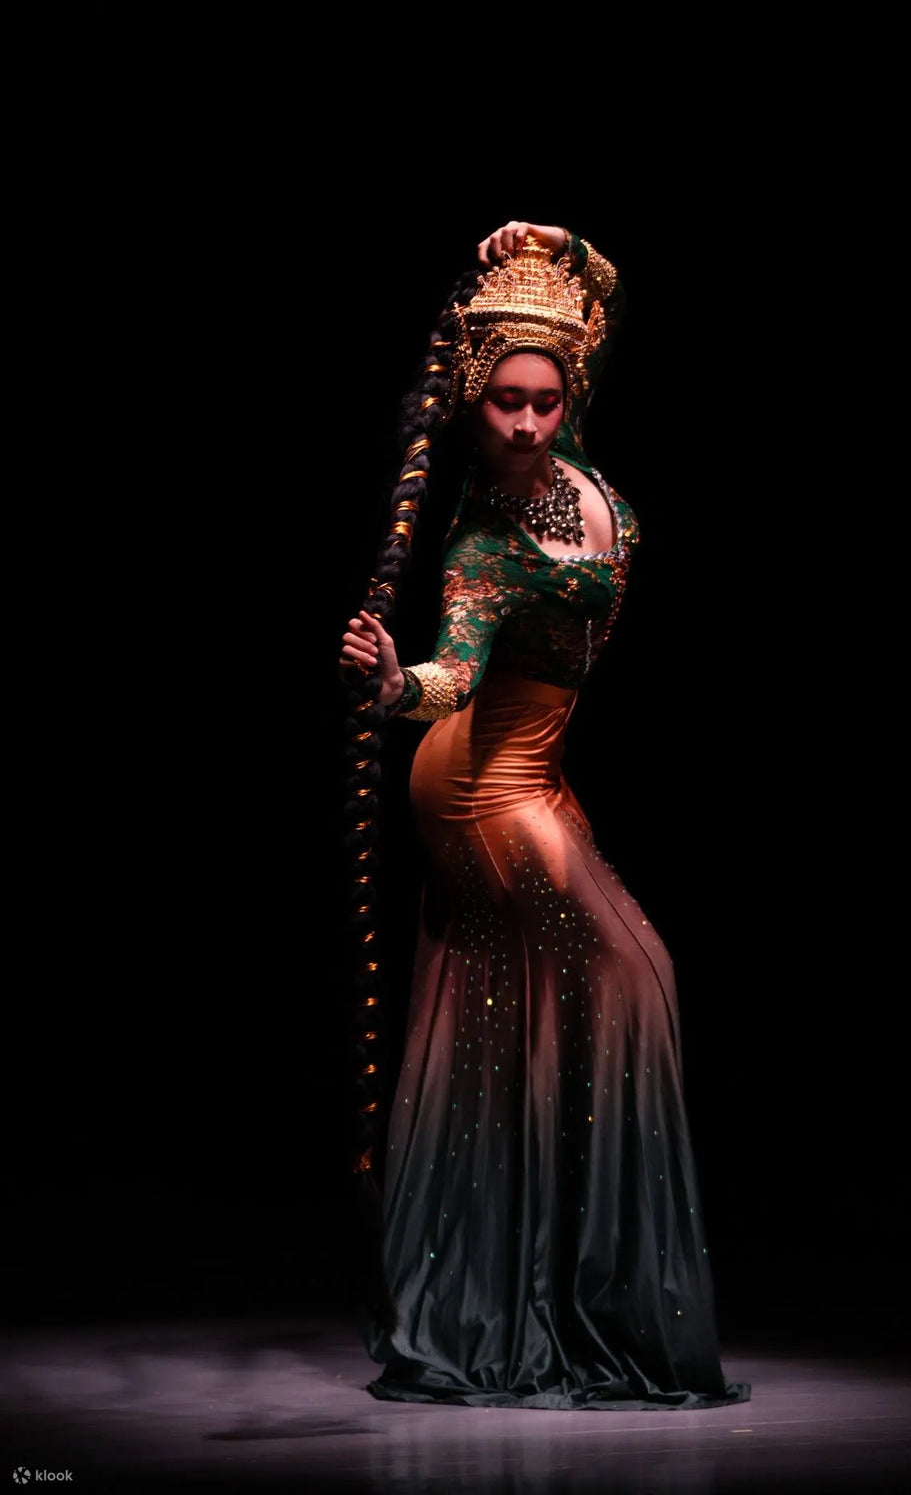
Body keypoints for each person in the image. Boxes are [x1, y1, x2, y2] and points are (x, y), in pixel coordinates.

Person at [339, 220, 750, 1410]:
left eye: (544, 401)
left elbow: (600, 305)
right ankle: (533, 1294)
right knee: (633, 976)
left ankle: (539, 1283)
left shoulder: (570, 450)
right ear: (473, 405)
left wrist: (554, 241)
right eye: (504, 404)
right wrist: (388, 686)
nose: (524, 424)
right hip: (475, 791)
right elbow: (452, 674)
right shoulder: (479, 541)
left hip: (536, 776)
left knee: (559, 1009)